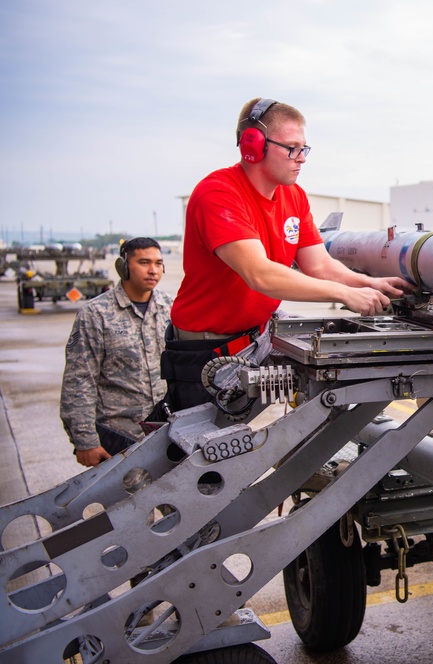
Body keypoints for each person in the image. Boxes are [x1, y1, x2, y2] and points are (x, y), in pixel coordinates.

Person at [164, 98, 411, 411]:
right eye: (292, 148)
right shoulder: (219, 193)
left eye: (304, 149)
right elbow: (260, 274)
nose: (301, 159)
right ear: (252, 145)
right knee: (203, 454)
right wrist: (345, 295)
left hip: (259, 334)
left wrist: (371, 285)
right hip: (209, 353)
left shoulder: (293, 196)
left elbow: (320, 265)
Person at [60, 238, 172, 467]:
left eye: (158, 263)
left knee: (178, 500)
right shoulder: (95, 314)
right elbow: (79, 380)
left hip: (166, 434)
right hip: (119, 441)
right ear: (123, 267)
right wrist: (85, 441)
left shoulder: (170, 308)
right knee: (129, 503)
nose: (153, 270)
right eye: (144, 262)